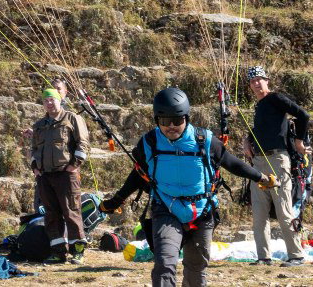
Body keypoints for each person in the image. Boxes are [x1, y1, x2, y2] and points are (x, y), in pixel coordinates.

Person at [99, 87, 275, 287]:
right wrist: (115, 201)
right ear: (157, 120)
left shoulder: (205, 140)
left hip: (202, 211)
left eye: (178, 120)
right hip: (166, 209)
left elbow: (231, 163)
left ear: (186, 118)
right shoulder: (149, 142)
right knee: (165, 263)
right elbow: (137, 177)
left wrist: (260, 177)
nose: (172, 126)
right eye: (165, 121)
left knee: (196, 267)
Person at [243, 65, 310, 266]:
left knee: (283, 210)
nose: (256, 84)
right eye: (252, 81)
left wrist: (299, 142)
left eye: (259, 80)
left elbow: (303, 115)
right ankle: (264, 257)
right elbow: (260, 129)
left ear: (267, 80)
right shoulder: (259, 106)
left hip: (277, 160)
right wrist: (247, 140)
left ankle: (296, 255)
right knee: (259, 212)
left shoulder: (276, 99)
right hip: (258, 161)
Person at [29, 87, 89, 263]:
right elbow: (34, 149)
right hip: (45, 176)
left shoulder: (72, 118)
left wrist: (74, 165)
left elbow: (83, 144)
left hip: (66, 174)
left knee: (71, 211)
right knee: (51, 214)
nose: (49, 103)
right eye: (46, 100)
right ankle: (58, 251)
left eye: (52, 99)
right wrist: (35, 168)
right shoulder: (39, 125)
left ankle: (77, 251)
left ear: (59, 100)